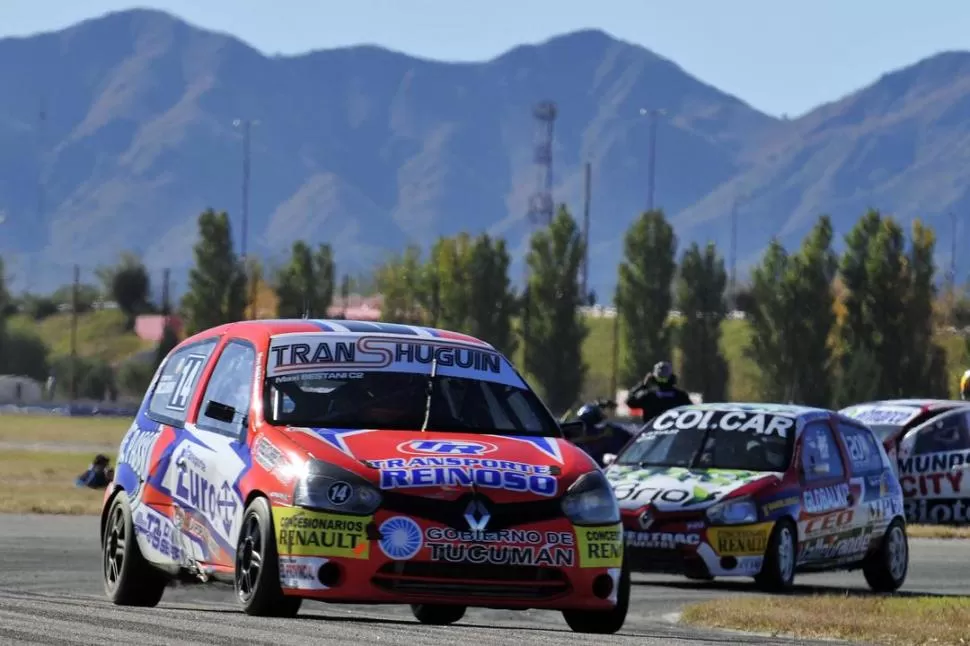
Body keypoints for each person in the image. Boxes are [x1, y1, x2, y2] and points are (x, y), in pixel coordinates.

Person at [626, 360, 692, 424]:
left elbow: (629, 401)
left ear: (653, 379)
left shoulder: (648, 396)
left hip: (653, 433)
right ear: (672, 378)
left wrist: (643, 385)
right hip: (675, 433)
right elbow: (691, 412)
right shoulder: (681, 396)